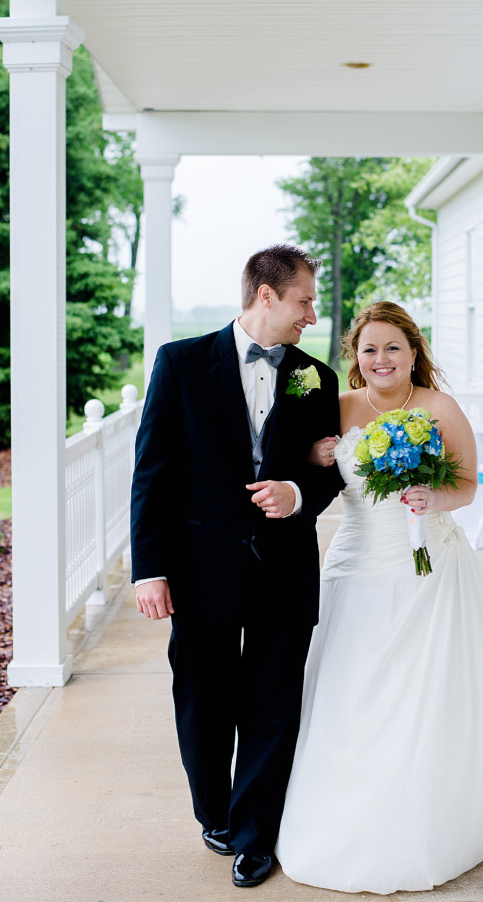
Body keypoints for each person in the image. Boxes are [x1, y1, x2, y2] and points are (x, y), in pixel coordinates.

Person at [275, 301, 483, 894]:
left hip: (428, 564)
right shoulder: (339, 407)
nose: (381, 359)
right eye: (369, 349)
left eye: (393, 347)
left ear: (414, 353)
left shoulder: (440, 408)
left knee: (426, 687)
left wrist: (432, 500)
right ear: (355, 358)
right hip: (357, 561)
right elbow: (311, 468)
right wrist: (314, 456)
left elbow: (466, 484)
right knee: (350, 686)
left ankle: (432, 808)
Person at [130, 244, 343, 889]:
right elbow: (153, 474)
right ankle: (214, 813)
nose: (312, 314)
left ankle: (256, 835)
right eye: (304, 300)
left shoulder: (317, 376)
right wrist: (149, 569)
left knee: (272, 705)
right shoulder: (182, 363)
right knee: (202, 700)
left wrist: (299, 492)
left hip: (283, 569)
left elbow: (328, 471)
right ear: (267, 294)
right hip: (199, 570)